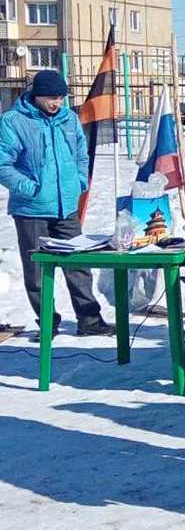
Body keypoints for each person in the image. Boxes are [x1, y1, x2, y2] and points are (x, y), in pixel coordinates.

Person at [0, 69, 111, 339]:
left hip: (66, 206)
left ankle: (89, 319)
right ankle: (47, 322)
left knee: (78, 263)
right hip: (31, 209)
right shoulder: (13, 121)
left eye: (60, 97)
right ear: (36, 96)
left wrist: (80, 181)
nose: (56, 103)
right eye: (51, 98)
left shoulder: (69, 119)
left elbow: (81, 155)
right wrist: (30, 188)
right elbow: (4, 164)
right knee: (37, 270)